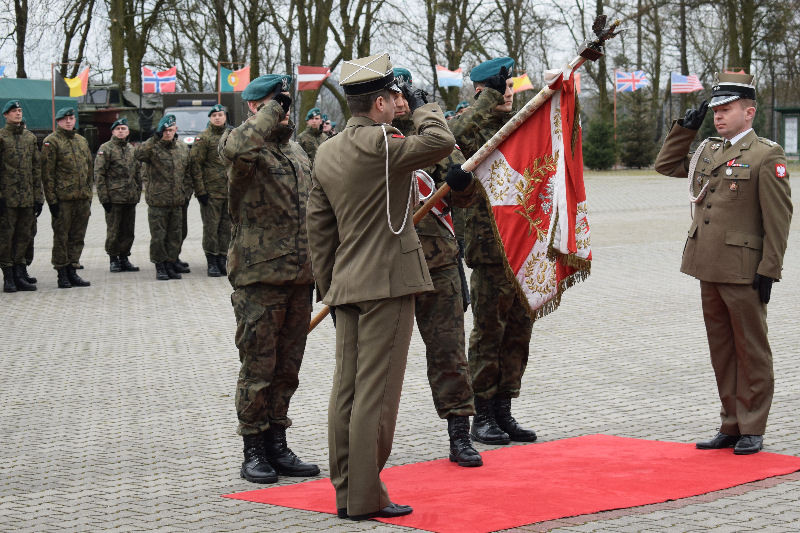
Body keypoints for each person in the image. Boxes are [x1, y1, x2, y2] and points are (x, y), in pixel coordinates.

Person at [307, 53, 455, 520]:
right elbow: (441, 140)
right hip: (388, 284)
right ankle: (367, 497)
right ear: (379, 103)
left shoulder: (326, 151)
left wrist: (330, 286)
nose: (399, 104)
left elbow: (319, 227)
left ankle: (348, 491)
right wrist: (423, 103)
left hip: (347, 284)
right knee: (377, 394)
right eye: (394, 97)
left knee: (346, 392)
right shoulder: (383, 143)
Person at [654, 72, 792, 455]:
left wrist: (770, 269)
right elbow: (665, 165)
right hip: (708, 265)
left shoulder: (767, 155)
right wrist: (686, 127)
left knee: (752, 350)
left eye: (726, 109)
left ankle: (752, 426)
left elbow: (778, 218)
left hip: (744, 269)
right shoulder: (708, 150)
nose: (718, 116)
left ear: (748, 113)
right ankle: (730, 423)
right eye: (715, 109)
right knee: (722, 349)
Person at [219, 73, 320, 485]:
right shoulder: (244, 151)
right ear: (255, 109)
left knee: (287, 369)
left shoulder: (296, 152)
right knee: (258, 369)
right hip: (259, 279)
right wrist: (270, 109)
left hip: (300, 278)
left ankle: (277, 443)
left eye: (286, 104)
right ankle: (253, 450)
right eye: (274, 104)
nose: (283, 111)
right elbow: (240, 145)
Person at [391, 67, 482, 467]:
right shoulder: (367, 139)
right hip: (388, 264)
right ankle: (366, 442)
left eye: (405, 96)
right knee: (378, 358)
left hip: (438, 262)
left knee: (449, 353)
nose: (399, 103)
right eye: (393, 95)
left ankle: (460, 434)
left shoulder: (438, 139)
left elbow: (465, 195)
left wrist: (461, 183)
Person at [450, 57, 538, 446]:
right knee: (489, 331)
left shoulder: (517, 123)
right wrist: (489, 101)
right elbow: (458, 134)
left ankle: (504, 407)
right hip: (488, 247)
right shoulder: (469, 124)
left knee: (519, 330)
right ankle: (481, 412)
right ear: (481, 92)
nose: (508, 95)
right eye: (501, 88)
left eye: (510, 88)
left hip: (523, 242)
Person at [135, 114, 192, 280]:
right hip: (158, 200)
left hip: (177, 200)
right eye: (165, 131)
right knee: (159, 236)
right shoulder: (153, 148)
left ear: (176, 130)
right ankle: (160, 265)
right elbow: (138, 154)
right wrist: (154, 138)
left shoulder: (181, 147)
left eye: (171, 130)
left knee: (175, 235)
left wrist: (186, 193)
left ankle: (170, 262)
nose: (168, 134)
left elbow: (187, 173)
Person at [41, 107, 93, 288]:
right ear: (58, 121)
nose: (69, 122)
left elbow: (89, 170)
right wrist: (52, 201)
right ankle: (62, 272)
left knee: (78, 236)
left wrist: (89, 196)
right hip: (63, 200)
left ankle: (73, 268)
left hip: (82, 198)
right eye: (65, 119)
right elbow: (47, 174)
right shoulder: (51, 142)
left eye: (71, 118)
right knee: (62, 237)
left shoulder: (81, 141)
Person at [0, 101, 41, 292]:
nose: (17, 114)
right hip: (7, 199)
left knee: (24, 236)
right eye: (13, 111)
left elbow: (36, 169)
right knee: (6, 238)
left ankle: (19, 272)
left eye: (19, 111)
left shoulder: (29, 138)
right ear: (5, 115)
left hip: (27, 198)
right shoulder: (1, 137)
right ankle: (8, 276)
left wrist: (38, 197)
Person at [95, 117, 142, 273]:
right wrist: (104, 198)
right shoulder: (106, 148)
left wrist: (137, 192)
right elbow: (99, 174)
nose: (121, 131)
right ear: (113, 131)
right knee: (114, 230)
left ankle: (124, 257)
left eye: (123, 129)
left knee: (128, 230)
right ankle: (113, 258)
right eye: (118, 129)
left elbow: (137, 172)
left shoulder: (131, 149)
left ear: (128, 131)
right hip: (114, 198)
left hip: (130, 197)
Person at [189, 104, 231, 277]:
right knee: (211, 228)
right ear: (210, 118)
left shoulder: (231, 136)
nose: (217, 118)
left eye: (220, 115)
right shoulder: (203, 138)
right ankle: (212, 261)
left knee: (226, 228)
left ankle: (223, 258)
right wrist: (200, 191)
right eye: (214, 115)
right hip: (211, 192)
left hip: (229, 191)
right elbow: (195, 165)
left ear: (225, 117)